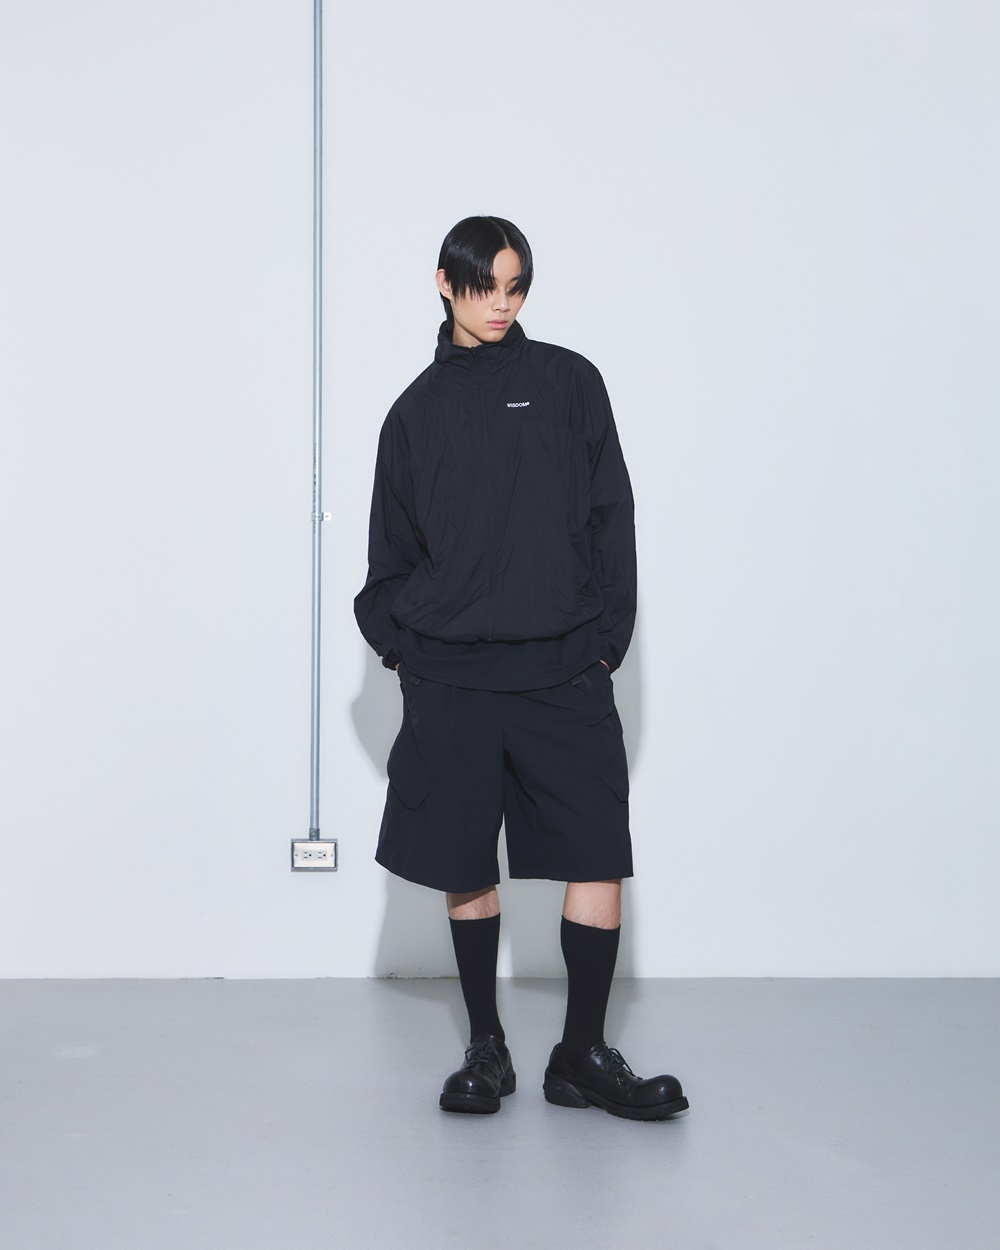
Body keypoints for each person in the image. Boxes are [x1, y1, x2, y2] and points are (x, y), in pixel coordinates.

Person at [354, 215, 688, 1121]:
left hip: (562, 671)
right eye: (483, 286)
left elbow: (613, 518)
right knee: (466, 862)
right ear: (444, 284)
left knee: (597, 852)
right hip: (455, 680)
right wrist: (411, 659)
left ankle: (582, 1055)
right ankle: (487, 1047)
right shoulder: (413, 416)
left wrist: (606, 644)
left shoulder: (571, 384)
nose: (500, 305)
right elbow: (389, 562)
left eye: (515, 287)